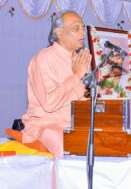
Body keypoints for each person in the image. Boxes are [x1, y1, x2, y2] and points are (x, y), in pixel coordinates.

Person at [5, 11, 91, 157]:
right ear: (59, 32)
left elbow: (86, 98)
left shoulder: (81, 60)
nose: (82, 33)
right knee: (66, 146)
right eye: (76, 29)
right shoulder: (43, 59)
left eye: (83, 28)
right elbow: (50, 103)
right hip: (47, 125)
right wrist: (76, 76)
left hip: (78, 124)